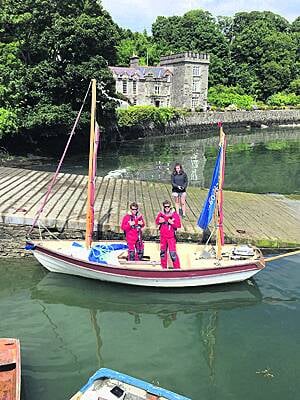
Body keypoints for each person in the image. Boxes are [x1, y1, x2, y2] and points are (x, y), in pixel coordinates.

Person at [155, 200, 181, 269]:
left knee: (173, 253)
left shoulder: (174, 215)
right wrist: (160, 221)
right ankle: (163, 267)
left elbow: (178, 225)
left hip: (171, 238)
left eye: (168, 207)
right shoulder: (161, 214)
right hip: (163, 237)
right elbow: (157, 221)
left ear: (170, 207)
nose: (167, 208)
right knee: (163, 253)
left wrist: (172, 223)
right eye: (165, 207)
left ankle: (177, 268)